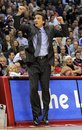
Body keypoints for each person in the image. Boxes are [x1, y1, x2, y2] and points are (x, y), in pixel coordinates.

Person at [17, 7, 67, 126]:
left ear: (44, 21)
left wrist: (62, 23)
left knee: (45, 90)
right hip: (33, 63)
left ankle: (45, 115)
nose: (36, 20)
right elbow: (17, 25)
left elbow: (64, 33)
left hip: (45, 63)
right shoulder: (30, 28)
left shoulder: (50, 29)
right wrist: (19, 13)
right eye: (35, 18)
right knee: (33, 89)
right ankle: (36, 115)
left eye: (38, 18)